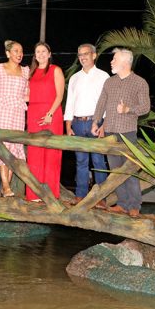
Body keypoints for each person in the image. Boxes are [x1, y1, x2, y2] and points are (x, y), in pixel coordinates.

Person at [92, 48, 150, 217]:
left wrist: (127, 109)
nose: (111, 62)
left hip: (128, 133)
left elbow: (145, 107)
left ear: (125, 62)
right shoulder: (109, 82)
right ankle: (122, 203)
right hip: (110, 132)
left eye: (114, 59)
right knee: (115, 171)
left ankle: (134, 205)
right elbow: (101, 103)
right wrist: (96, 121)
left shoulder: (140, 82)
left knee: (129, 170)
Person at [63, 43, 109, 205]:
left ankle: (101, 197)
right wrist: (68, 125)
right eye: (80, 54)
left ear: (94, 55)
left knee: (98, 161)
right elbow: (70, 103)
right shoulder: (75, 78)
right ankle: (80, 195)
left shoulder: (104, 76)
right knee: (81, 161)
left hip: (96, 122)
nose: (82, 57)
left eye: (86, 54)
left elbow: (107, 103)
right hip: (77, 123)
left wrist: (104, 125)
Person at [26, 42, 65, 201]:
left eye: (44, 51)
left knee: (51, 155)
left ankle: (50, 194)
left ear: (49, 54)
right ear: (35, 55)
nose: (40, 54)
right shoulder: (31, 72)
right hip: (34, 114)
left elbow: (60, 95)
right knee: (34, 153)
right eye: (37, 52)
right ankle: (34, 194)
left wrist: (50, 113)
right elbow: (30, 95)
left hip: (51, 114)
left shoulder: (56, 70)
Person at [0, 40, 29, 197]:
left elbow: (28, 94)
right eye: (15, 51)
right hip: (1, 110)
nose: (19, 54)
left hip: (18, 111)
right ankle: (6, 186)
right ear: (8, 53)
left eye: (21, 51)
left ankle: (5, 187)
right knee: (3, 147)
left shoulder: (26, 71)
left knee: (14, 147)